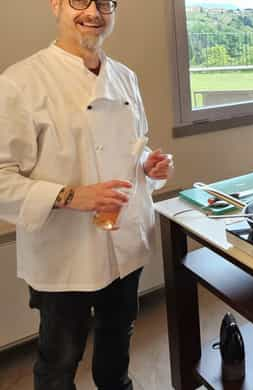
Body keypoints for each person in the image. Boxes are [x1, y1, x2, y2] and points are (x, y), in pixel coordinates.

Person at [0, 0, 173, 388]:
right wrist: (70, 196)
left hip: (125, 242)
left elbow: (130, 147)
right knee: (60, 361)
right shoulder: (21, 81)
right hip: (66, 254)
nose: (94, 12)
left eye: (106, 3)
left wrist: (148, 164)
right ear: (56, 5)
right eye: (80, 1)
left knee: (116, 348)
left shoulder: (125, 77)